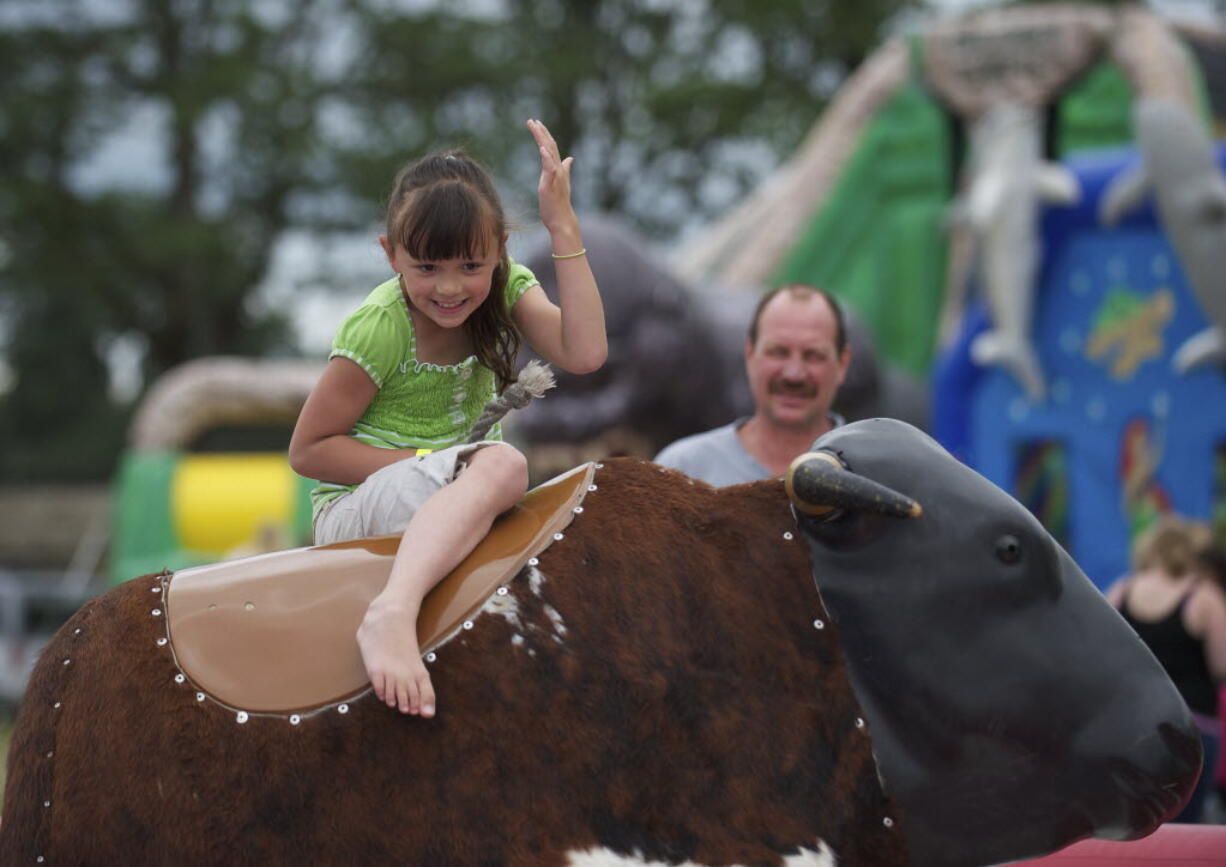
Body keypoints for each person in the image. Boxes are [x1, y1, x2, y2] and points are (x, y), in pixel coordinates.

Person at [289, 119, 606, 719]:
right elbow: (309, 451)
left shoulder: (509, 288)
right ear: (391, 254)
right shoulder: (382, 327)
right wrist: (429, 465)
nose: (451, 287)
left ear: (499, 252)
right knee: (507, 464)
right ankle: (391, 614)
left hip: (453, 495)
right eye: (427, 268)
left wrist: (562, 225)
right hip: (359, 507)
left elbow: (585, 353)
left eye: (470, 265)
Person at [653, 284, 851, 485]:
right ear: (749, 355)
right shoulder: (683, 469)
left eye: (813, 356)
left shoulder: (869, 471)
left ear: (842, 364)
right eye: (778, 352)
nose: (794, 374)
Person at [1105, 517, 1226, 822]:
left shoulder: (1123, 589)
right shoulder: (1204, 596)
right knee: (1186, 825)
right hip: (1191, 722)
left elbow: (1102, 652)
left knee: (1134, 822)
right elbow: (1222, 664)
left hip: (1130, 721)